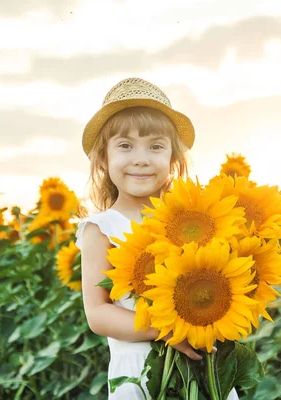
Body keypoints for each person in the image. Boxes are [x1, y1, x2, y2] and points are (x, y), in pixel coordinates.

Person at [75, 77, 238, 399]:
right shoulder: (102, 227)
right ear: (103, 160)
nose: (141, 158)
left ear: (173, 160)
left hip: (203, 369)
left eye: (156, 146)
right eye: (125, 146)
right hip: (139, 374)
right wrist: (168, 330)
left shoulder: (192, 220)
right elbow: (98, 313)